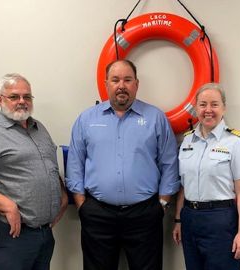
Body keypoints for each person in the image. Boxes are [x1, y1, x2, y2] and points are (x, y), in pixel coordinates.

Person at [66, 59, 180, 270]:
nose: (121, 85)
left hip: (145, 214)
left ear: (136, 84)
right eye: (115, 79)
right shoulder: (86, 119)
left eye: (127, 80)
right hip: (97, 214)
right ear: (106, 83)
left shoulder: (155, 118)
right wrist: (82, 205)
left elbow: (169, 163)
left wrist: (162, 204)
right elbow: (75, 163)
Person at [0, 73, 68, 270]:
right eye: (14, 97)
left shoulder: (39, 128)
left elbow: (49, 167)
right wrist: (8, 205)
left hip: (44, 234)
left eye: (27, 97)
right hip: (11, 233)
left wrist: (62, 196)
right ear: (0, 99)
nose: (22, 102)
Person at [172, 82, 240, 270]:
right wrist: (178, 220)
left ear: (224, 108)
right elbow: (183, 187)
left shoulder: (236, 141)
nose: (208, 110)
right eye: (203, 105)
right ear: (196, 108)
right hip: (190, 219)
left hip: (221, 220)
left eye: (214, 104)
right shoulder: (187, 140)